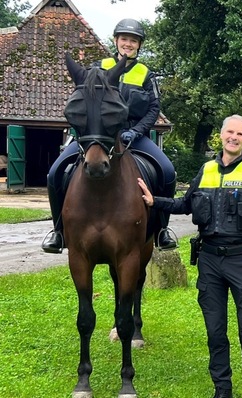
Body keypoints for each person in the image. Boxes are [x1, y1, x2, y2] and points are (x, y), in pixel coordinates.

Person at [138, 114, 242, 398]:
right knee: (215, 332)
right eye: (229, 132)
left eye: (240, 134)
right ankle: (222, 389)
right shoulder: (206, 169)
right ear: (221, 135)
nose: (233, 137)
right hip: (209, 260)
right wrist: (154, 201)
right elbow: (185, 204)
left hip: (241, 260)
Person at [42, 18, 177, 253]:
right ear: (116, 41)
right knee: (55, 173)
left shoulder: (146, 74)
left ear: (139, 45)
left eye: (133, 40)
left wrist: (135, 132)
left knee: (167, 171)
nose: (128, 44)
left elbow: (154, 108)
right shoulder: (98, 67)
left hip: (134, 134)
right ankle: (58, 231)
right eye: (124, 38)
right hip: (98, 135)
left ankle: (161, 230)